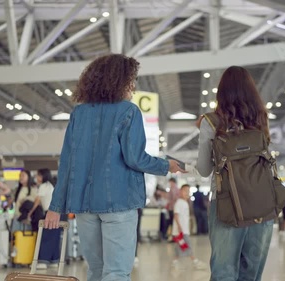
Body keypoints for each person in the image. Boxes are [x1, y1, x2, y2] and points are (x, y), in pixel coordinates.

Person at [43, 54, 185, 281]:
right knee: (116, 272)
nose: (133, 85)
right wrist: (166, 165)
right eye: (131, 79)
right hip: (119, 203)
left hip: (85, 206)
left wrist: (55, 206)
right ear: (120, 81)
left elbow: (67, 164)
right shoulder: (128, 111)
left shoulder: (79, 114)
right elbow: (135, 158)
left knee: (95, 271)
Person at [197, 66, 274, 281]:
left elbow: (204, 170)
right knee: (251, 272)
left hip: (226, 204)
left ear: (221, 93)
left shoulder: (210, 122)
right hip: (262, 203)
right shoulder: (261, 121)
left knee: (224, 271)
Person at [27, 168, 62, 269]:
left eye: (38, 175)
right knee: (54, 238)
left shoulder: (44, 185)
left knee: (45, 237)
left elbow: (37, 200)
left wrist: (30, 212)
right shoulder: (50, 185)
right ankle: (54, 260)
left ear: (43, 176)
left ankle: (43, 261)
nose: (36, 178)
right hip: (57, 213)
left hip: (49, 213)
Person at [171, 184, 206, 269]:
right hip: (181, 231)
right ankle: (195, 262)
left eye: (188, 191)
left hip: (184, 230)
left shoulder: (185, 203)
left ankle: (174, 262)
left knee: (180, 247)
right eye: (185, 191)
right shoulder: (179, 203)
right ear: (180, 192)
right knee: (187, 246)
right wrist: (179, 227)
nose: (187, 193)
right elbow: (176, 215)